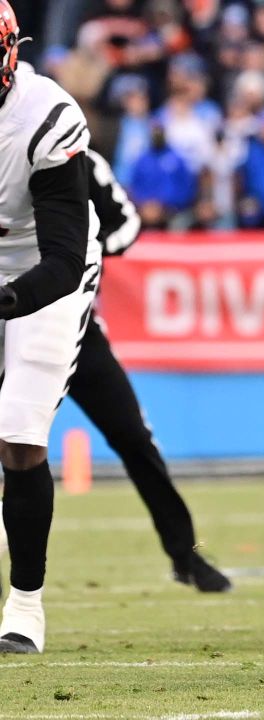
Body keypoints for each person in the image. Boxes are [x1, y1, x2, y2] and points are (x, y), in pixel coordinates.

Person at [72, 148, 230, 592]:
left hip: (73, 326)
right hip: (10, 327)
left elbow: (127, 223)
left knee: (134, 438)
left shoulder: (81, 160)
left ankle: (185, 554)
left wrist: (81, 253)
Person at [0, 1, 101, 654]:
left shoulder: (45, 115)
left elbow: (63, 260)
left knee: (20, 434)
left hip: (43, 269)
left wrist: (6, 299)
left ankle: (26, 603)